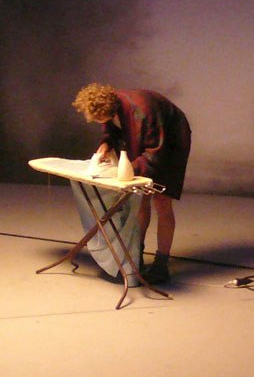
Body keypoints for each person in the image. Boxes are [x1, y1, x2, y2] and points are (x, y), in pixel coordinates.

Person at [72, 82, 191, 284]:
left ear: (106, 110)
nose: (96, 121)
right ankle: (135, 255)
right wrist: (105, 145)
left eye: (98, 119)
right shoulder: (110, 105)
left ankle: (161, 264)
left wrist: (128, 170)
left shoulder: (143, 111)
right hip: (150, 142)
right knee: (140, 199)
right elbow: (111, 130)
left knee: (162, 201)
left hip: (170, 143)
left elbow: (155, 151)